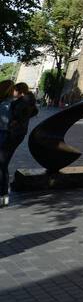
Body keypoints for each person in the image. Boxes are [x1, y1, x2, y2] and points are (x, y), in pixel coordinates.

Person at [0, 80, 15, 209]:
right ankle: (4, 196)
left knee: (1, 166)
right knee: (2, 166)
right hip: (5, 136)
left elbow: (4, 123)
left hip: (2, 136)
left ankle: (3, 195)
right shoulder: (9, 103)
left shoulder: (5, 104)